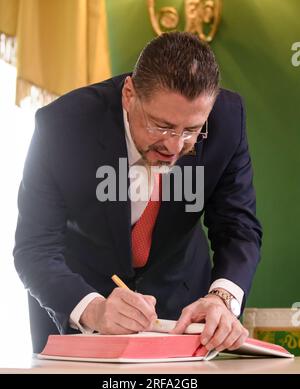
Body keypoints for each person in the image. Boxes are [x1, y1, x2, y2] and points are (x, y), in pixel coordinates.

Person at [13, 32, 262, 354]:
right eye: (161, 125)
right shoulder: (63, 125)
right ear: (129, 94)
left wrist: (222, 298)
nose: (174, 146)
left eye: (191, 131)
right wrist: (93, 309)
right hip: (79, 303)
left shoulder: (228, 119)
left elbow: (237, 228)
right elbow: (34, 248)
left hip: (184, 308)